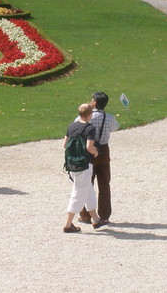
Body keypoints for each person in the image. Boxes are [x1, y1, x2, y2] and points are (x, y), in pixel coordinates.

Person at [78, 92, 118, 225]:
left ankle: (85, 215)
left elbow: (75, 125)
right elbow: (116, 127)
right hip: (104, 150)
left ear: (94, 102)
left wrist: (87, 108)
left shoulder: (88, 116)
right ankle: (105, 215)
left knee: (86, 183)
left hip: (89, 151)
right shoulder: (109, 117)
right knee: (104, 184)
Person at [63, 103, 104, 233]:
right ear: (89, 115)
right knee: (78, 192)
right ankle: (68, 224)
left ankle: (96, 219)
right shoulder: (89, 128)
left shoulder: (72, 126)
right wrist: (96, 153)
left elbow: (65, 145)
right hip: (84, 164)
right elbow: (89, 147)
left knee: (88, 190)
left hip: (72, 164)